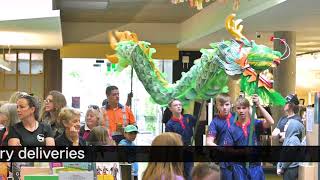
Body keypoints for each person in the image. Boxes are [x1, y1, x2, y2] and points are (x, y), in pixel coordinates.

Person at [224, 95, 274, 180]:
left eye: (244, 108)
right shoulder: (231, 129)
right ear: (235, 109)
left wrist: (258, 105)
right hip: (239, 168)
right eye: (239, 108)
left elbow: (271, 122)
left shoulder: (255, 124)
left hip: (255, 167)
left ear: (248, 108)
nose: (241, 111)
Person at [165, 99, 196, 180]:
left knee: (190, 174)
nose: (178, 106)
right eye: (175, 105)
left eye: (180, 104)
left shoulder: (188, 118)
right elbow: (170, 142)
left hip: (189, 150)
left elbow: (200, 120)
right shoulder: (169, 124)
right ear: (170, 109)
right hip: (177, 152)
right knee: (179, 174)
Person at [206, 93, 235, 179]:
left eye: (227, 104)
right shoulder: (215, 122)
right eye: (221, 105)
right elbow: (209, 142)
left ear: (231, 105)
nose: (224, 107)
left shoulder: (237, 117)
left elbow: (252, 121)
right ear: (217, 106)